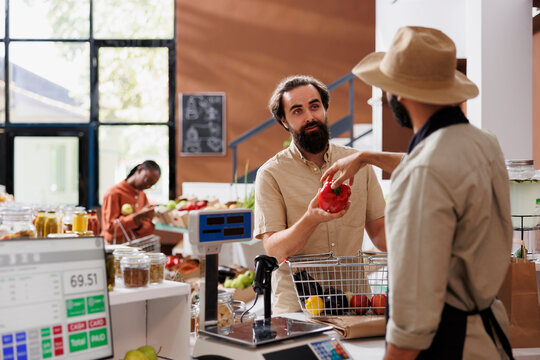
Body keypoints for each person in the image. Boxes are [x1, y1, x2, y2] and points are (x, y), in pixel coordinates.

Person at [321, 26, 513, 359]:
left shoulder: (423, 172)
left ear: (399, 94)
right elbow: (437, 162)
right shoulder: (484, 143)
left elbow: (414, 304)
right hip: (487, 337)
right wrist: (366, 156)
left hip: (445, 344)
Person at [254, 75, 387, 314]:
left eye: (315, 106)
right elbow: (275, 250)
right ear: (284, 121)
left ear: (324, 109)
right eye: (297, 111)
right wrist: (311, 219)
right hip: (298, 307)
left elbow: (379, 232)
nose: (309, 117)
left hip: (354, 301)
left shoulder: (358, 163)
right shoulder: (271, 174)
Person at [101, 160, 161, 244]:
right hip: (113, 247)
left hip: (133, 247)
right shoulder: (113, 193)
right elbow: (111, 228)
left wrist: (139, 224)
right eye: (147, 181)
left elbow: (148, 229)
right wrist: (137, 217)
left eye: (151, 185)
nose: (147, 186)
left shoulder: (142, 195)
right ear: (139, 170)